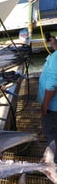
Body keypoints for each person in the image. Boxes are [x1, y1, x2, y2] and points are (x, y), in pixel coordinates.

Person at [38, 32, 57, 162]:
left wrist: (45, 106)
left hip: (53, 109)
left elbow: (51, 85)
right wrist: (55, 44)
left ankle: (54, 164)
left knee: (52, 135)